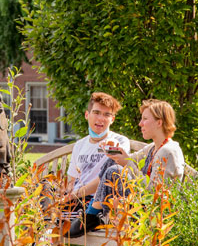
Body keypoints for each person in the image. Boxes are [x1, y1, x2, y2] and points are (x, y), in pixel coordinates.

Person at [68, 98, 184, 237]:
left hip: (152, 214)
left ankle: (92, 212)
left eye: (145, 119)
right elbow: (129, 159)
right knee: (113, 161)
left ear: (159, 122)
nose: (140, 124)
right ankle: (92, 213)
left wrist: (125, 163)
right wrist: (113, 150)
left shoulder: (168, 151)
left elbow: (153, 193)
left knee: (115, 170)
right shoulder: (153, 147)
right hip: (136, 204)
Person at [58, 92, 130, 214]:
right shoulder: (80, 145)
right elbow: (72, 181)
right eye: (96, 112)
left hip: (96, 203)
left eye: (106, 115)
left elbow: (109, 177)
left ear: (112, 119)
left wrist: (76, 194)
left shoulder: (119, 142)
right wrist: (63, 194)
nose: (101, 118)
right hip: (74, 202)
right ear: (87, 115)